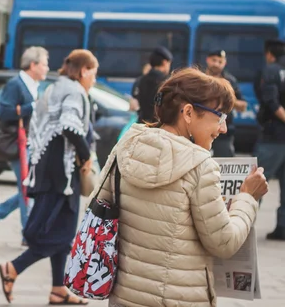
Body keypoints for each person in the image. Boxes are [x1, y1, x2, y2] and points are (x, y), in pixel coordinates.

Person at [97, 68, 268, 307]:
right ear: (188, 112)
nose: (223, 129)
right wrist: (247, 198)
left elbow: (97, 209)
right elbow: (224, 242)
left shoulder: (125, 146)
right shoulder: (200, 166)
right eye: (219, 117)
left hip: (125, 297)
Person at [0, 49, 97, 305]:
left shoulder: (56, 87)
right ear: (84, 70)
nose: (94, 80)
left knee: (61, 229)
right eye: (93, 74)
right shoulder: (74, 91)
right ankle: (14, 268)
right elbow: (69, 126)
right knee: (61, 233)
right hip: (61, 174)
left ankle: (57, 289)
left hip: (47, 168)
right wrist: (86, 155)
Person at [0, 46, 49, 242]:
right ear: (33, 65)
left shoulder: (32, 85)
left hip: (29, 143)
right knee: (27, 189)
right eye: (44, 64)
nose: (47, 68)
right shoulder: (16, 84)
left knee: (27, 188)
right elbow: (6, 113)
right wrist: (33, 106)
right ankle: (27, 235)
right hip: (17, 144)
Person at [254, 38, 285, 241]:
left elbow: (271, 103)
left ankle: (242, 227)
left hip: (273, 138)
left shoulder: (272, 70)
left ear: (269, 54)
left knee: (254, 183)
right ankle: (282, 228)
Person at [205, 49, 247, 158]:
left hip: (223, 130)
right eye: (214, 60)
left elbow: (242, 106)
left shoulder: (230, 81)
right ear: (208, 60)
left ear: (225, 63)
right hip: (200, 127)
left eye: (220, 62)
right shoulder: (199, 78)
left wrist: (227, 99)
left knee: (225, 165)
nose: (216, 64)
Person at [131, 46, 172, 124]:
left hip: (142, 124)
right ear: (164, 62)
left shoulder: (141, 80)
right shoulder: (166, 82)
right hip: (157, 127)